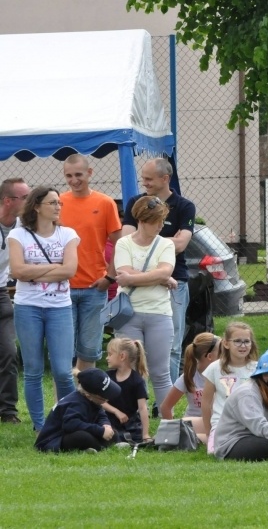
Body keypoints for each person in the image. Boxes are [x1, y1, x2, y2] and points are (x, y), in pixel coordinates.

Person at [8, 186, 79, 431]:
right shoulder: (18, 236)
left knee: (62, 371)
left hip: (59, 307)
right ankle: (41, 427)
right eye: (52, 203)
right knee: (33, 370)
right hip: (28, 307)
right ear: (37, 206)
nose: (58, 207)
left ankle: (71, 420)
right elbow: (18, 271)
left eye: (59, 203)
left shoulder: (68, 234)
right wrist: (54, 269)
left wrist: (34, 272)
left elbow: (70, 270)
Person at [122, 158, 196, 385]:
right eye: (143, 177)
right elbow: (126, 240)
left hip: (175, 282)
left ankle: (165, 400)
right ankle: (137, 396)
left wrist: (144, 241)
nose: (144, 182)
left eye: (149, 179)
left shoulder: (184, 206)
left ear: (165, 179)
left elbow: (181, 244)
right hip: (141, 282)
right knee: (134, 346)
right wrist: (163, 253)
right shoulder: (136, 202)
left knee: (172, 344)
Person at [113, 196, 176, 409]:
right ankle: (132, 422)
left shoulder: (166, 243)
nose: (161, 226)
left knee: (160, 371)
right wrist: (159, 278)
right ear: (141, 220)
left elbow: (164, 270)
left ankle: (168, 422)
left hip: (159, 314)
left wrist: (137, 278)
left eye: (162, 220)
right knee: (129, 370)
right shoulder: (124, 243)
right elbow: (123, 272)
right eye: (155, 221)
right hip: (129, 314)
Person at [60, 154, 122, 371]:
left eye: (78, 174)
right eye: (69, 175)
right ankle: (64, 403)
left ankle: (87, 400)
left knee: (89, 349)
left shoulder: (105, 203)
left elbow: (119, 244)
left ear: (90, 173)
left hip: (94, 288)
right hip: (63, 287)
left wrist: (110, 277)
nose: (74, 180)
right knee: (64, 349)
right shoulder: (58, 203)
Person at [201, 321, 259, 453]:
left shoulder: (257, 368)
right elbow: (206, 402)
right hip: (222, 423)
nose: (243, 346)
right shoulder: (215, 368)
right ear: (226, 343)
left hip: (250, 421)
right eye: (237, 341)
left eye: (247, 341)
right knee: (214, 452)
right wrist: (208, 432)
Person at [34, 368, 120, 453]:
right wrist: (100, 431)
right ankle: (102, 447)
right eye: (103, 398)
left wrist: (105, 425)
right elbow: (71, 424)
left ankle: (97, 446)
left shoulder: (92, 400)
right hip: (55, 439)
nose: (106, 401)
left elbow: (101, 414)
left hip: (79, 429)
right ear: (89, 395)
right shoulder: (76, 403)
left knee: (113, 432)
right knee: (83, 437)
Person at [0, 177, 29, 424]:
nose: (31, 202)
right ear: (9, 201)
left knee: (9, 352)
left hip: (2, 294)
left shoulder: (24, 226)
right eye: (25, 198)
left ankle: (8, 411)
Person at [160, 332, 220, 443]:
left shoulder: (225, 375)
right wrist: (171, 433)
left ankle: (195, 438)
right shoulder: (189, 376)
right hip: (195, 423)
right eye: (221, 352)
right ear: (210, 356)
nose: (226, 356)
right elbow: (166, 407)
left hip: (216, 421)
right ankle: (188, 437)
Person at [103, 337, 150, 443]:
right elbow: (100, 401)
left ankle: (119, 440)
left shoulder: (137, 381)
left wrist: (146, 434)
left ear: (122, 356)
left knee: (134, 436)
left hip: (129, 422)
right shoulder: (107, 377)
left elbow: (142, 408)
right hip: (108, 419)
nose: (107, 358)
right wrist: (116, 411)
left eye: (110, 354)